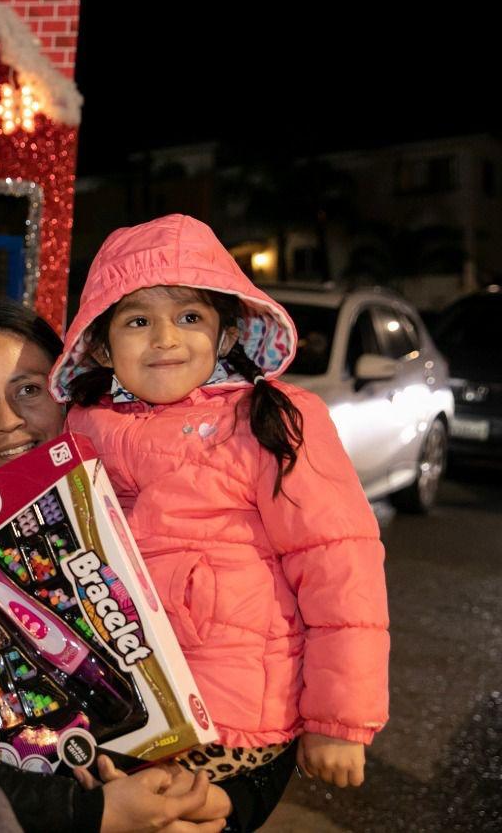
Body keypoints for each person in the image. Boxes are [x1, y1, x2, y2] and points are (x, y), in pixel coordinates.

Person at [50, 215, 389, 822]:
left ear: (227, 334)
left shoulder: (267, 419)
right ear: (100, 344)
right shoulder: (82, 427)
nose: (164, 339)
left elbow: (341, 566)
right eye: (137, 320)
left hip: (231, 724)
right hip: (115, 715)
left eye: (189, 317)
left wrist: (338, 721)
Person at [0, 300, 229, 833]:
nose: (8, 421)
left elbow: (254, 671)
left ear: (69, 397)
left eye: (29, 389)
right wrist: (89, 813)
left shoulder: (147, 516)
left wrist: (218, 802)